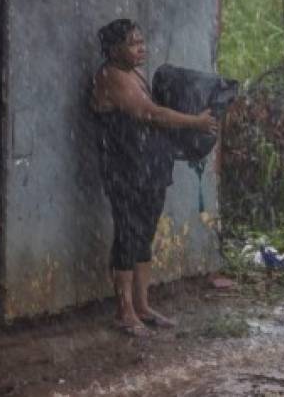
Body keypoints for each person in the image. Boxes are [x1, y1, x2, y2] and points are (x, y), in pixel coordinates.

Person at [90, 18, 218, 337]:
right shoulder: (110, 77)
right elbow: (149, 113)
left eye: (141, 41)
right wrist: (195, 122)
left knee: (144, 234)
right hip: (125, 169)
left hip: (149, 167)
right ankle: (124, 311)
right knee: (127, 234)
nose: (141, 48)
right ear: (114, 48)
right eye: (133, 43)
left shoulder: (135, 73)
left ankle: (143, 305)